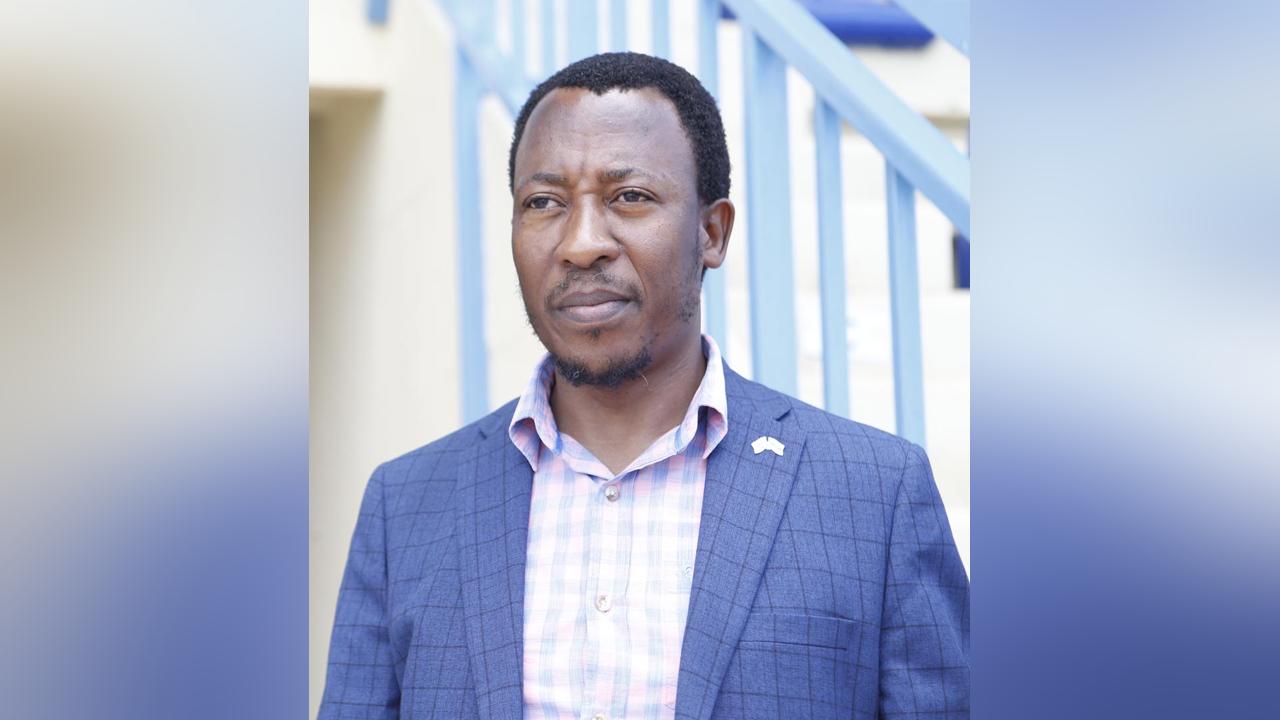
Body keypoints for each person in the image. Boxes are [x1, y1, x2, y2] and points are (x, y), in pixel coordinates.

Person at [319, 52, 969, 720]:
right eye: (543, 203)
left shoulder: (874, 496)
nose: (581, 244)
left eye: (629, 196)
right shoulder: (406, 506)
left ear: (711, 232)